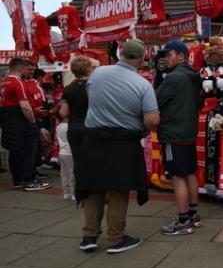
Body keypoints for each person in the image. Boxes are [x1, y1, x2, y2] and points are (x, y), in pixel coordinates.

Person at [76, 39, 160, 254]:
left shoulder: (97, 73)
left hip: (94, 139)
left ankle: (89, 237)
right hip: (123, 142)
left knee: (93, 187)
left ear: (121, 54)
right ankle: (116, 239)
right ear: (141, 59)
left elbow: (92, 98)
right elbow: (152, 121)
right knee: (119, 189)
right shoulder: (142, 84)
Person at [156, 39, 203, 236]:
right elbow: (199, 104)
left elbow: (155, 101)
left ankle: (183, 221)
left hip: (174, 133)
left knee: (177, 176)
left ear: (181, 56)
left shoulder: (174, 78)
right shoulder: (193, 76)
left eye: (169, 54)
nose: (165, 59)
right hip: (188, 132)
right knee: (190, 173)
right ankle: (193, 215)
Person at [0, 58, 49, 191]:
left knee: (15, 151)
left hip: (8, 121)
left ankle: (18, 180)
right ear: (21, 68)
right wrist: (33, 123)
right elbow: (25, 106)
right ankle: (29, 181)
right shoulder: (18, 82)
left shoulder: (4, 83)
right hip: (21, 122)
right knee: (29, 151)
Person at [59, 56, 94, 178]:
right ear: (88, 69)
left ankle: (80, 187)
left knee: (78, 162)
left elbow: (63, 113)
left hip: (74, 129)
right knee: (93, 161)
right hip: (92, 128)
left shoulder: (68, 89)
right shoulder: (94, 87)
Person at [56, 114, 74, 200]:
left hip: (62, 152)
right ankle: (73, 193)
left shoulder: (59, 126)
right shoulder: (69, 126)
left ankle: (66, 192)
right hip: (70, 152)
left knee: (64, 173)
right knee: (72, 173)